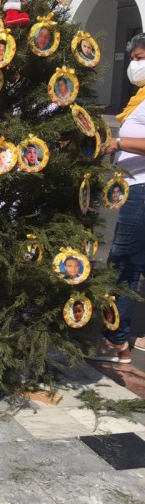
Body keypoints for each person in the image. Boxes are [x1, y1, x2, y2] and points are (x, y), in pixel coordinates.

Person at [88, 35, 145, 361]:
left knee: (123, 265)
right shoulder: (139, 98)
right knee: (136, 262)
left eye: (139, 57)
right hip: (132, 185)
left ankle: (116, 342)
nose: (134, 65)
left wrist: (118, 145)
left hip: (140, 190)